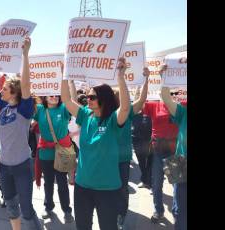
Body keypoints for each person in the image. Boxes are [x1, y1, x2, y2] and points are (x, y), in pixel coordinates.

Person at [61, 57, 130, 230]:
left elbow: (126, 108)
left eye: (92, 97)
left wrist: (120, 77)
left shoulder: (113, 120)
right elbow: (67, 100)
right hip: (82, 186)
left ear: (104, 99)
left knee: (108, 226)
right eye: (88, 96)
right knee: (83, 226)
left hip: (107, 189)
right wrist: (63, 75)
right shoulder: (85, 115)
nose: (88, 99)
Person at [0, 37, 42, 230]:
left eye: (5, 88)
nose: (1, 90)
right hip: (4, 166)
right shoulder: (4, 107)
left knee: (26, 208)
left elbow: (25, 85)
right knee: (11, 206)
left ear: (14, 92)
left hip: (22, 166)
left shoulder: (24, 109)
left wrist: (25, 54)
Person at [141, 74, 182, 224]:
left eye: (173, 92)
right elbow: (140, 103)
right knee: (157, 183)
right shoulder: (154, 105)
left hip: (174, 149)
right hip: (158, 149)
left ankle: (178, 211)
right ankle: (159, 210)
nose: (170, 95)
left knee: (177, 184)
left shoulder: (181, 105)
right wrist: (144, 80)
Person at [116, 68, 150, 229]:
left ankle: (121, 213)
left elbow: (142, 99)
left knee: (122, 188)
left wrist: (146, 79)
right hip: (105, 160)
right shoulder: (100, 112)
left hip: (122, 158)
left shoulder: (128, 111)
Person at [33, 94, 74, 223]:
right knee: (48, 182)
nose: (54, 97)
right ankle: (48, 207)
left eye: (57, 95)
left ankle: (67, 210)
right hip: (46, 153)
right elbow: (26, 99)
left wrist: (69, 81)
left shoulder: (63, 108)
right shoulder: (39, 109)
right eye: (50, 95)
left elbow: (72, 100)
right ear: (44, 97)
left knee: (62, 183)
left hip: (61, 152)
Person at [160, 65, 187, 230]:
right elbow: (166, 97)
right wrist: (165, 77)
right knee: (180, 210)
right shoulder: (184, 112)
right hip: (183, 166)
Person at [131, 87, 153, 190]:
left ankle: (148, 180)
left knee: (150, 162)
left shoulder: (150, 111)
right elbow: (137, 99)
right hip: (137, 141)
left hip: (149, 141)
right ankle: (146, 180)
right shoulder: (134, 112)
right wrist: (138, 89)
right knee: (141, 162)